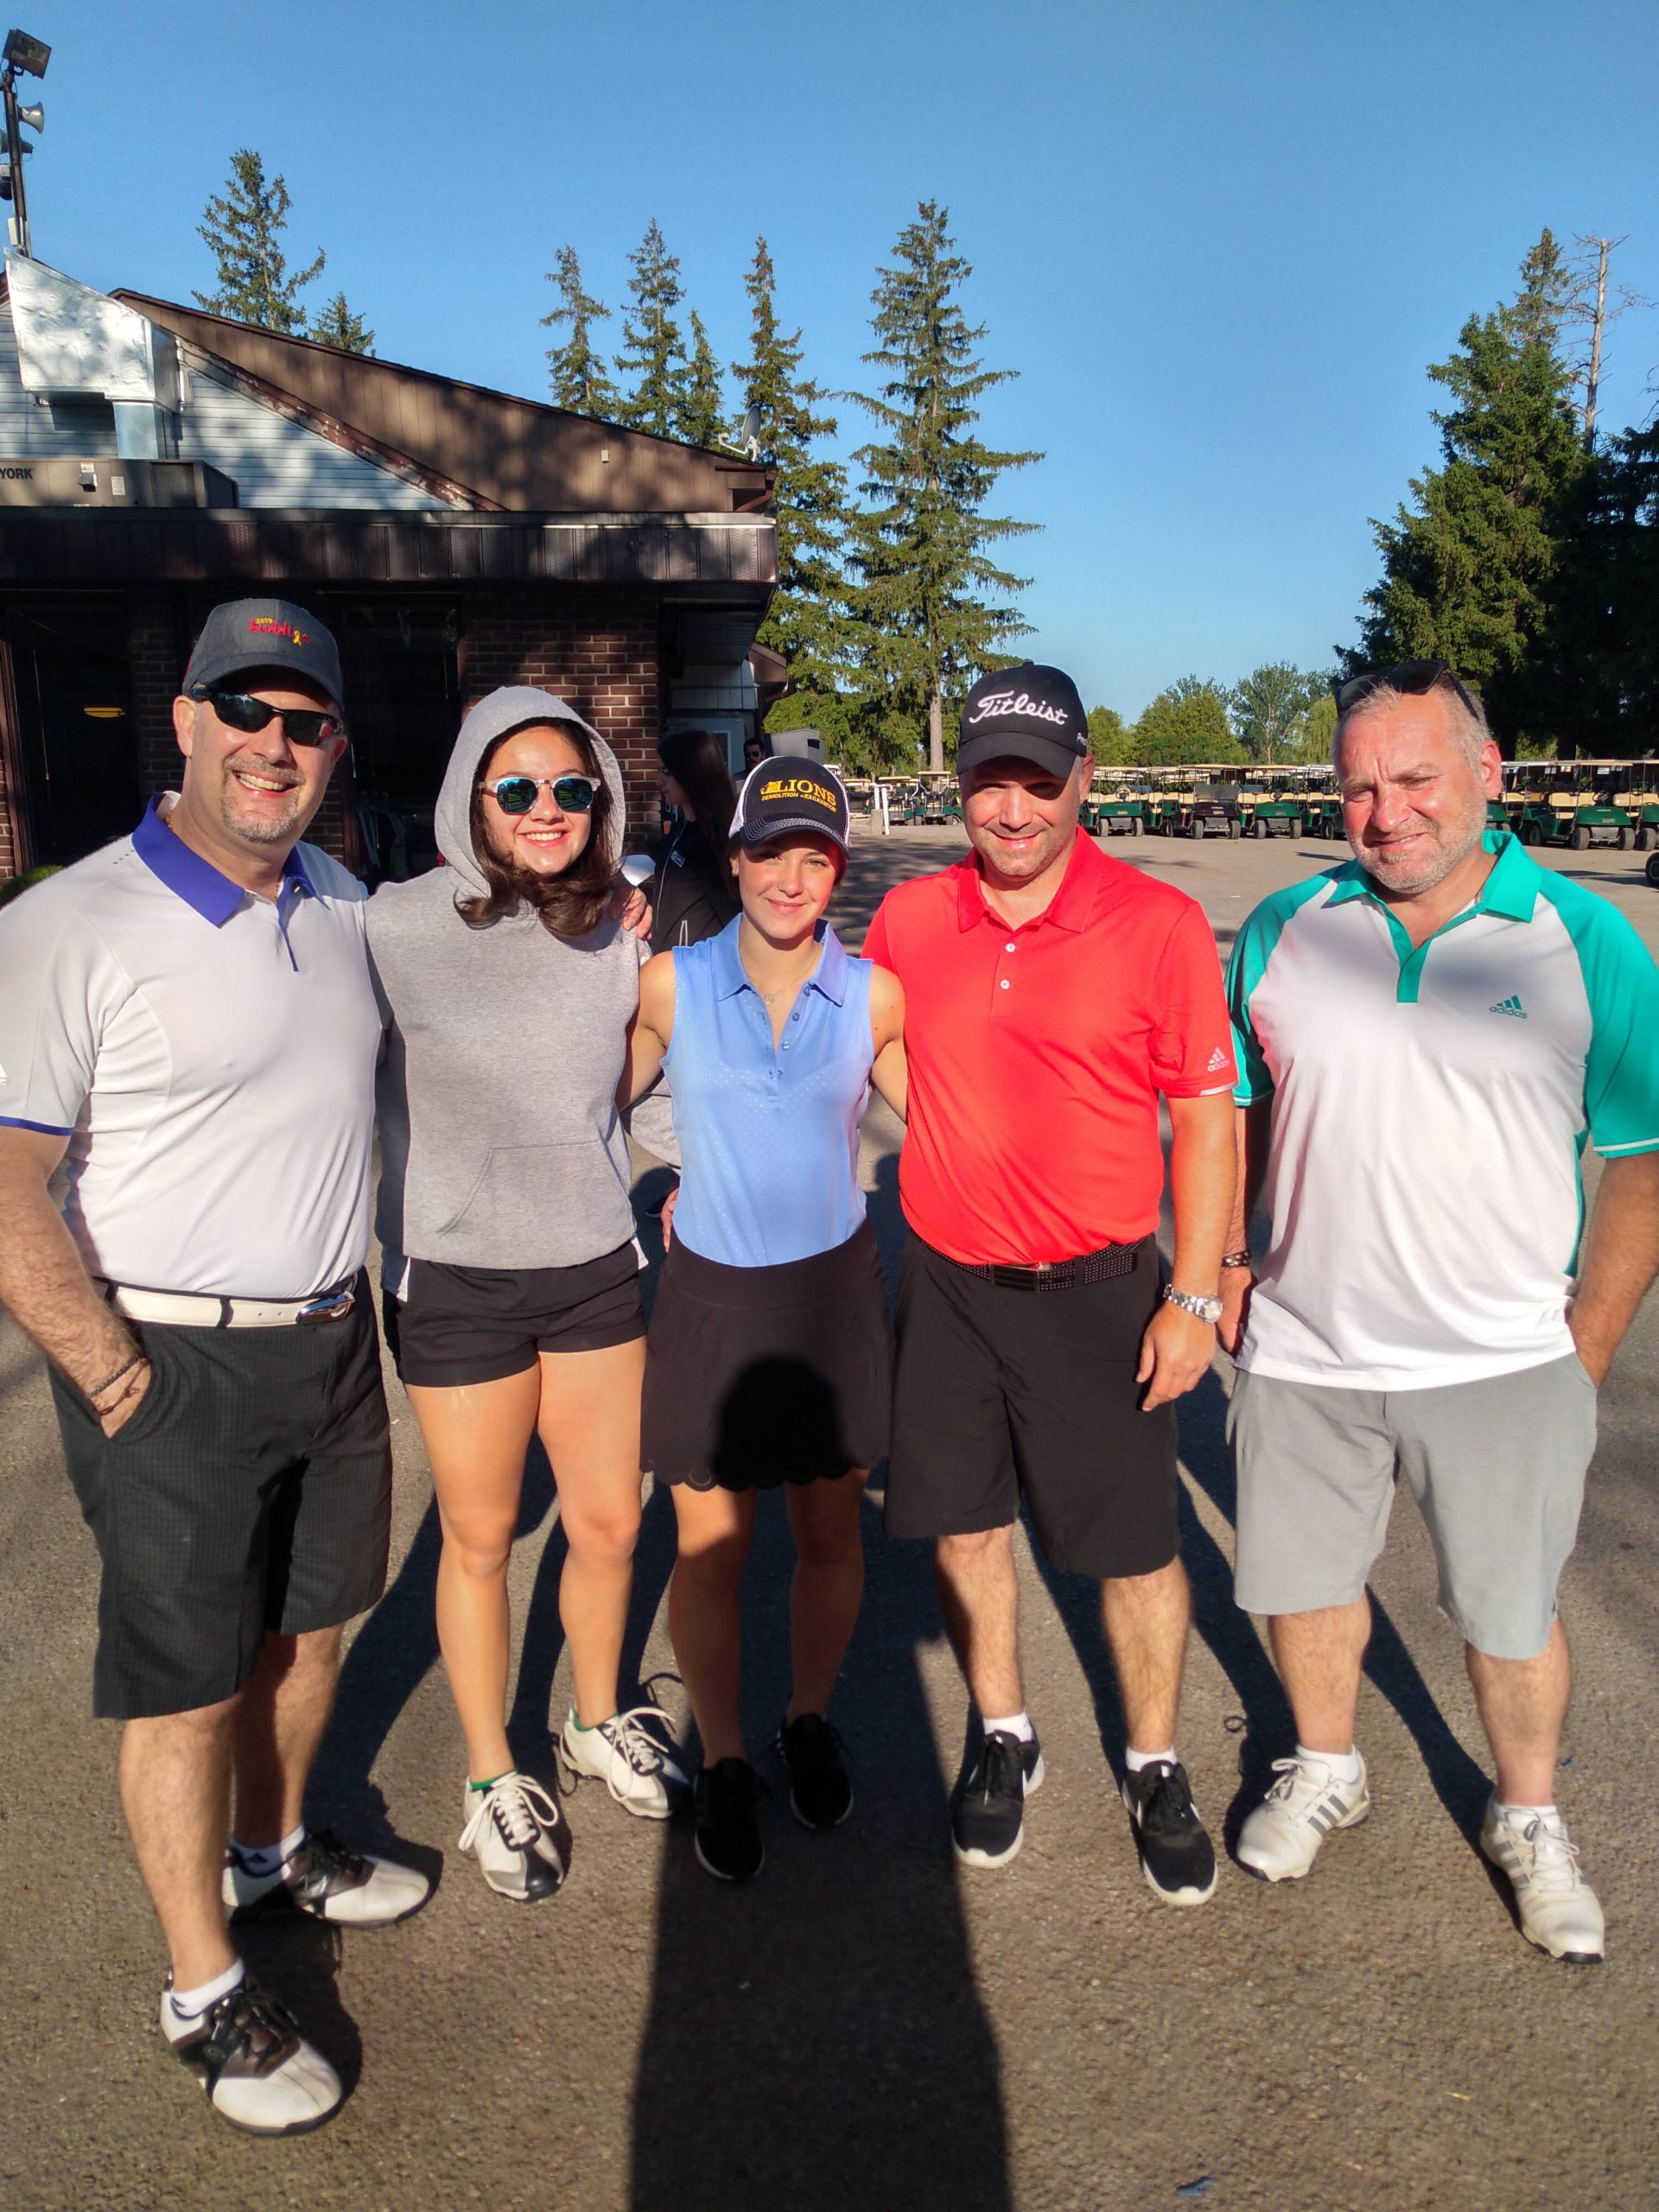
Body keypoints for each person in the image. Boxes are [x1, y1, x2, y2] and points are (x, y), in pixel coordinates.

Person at [0, 599, 429, 2138]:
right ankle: (202, 1986)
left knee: (311, 1635)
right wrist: (115, 1380)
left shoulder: (339, 899)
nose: (273, 744)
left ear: (336, 748)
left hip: (330, 1339)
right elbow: (5, 1178)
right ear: (183, 722)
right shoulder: (72, 922)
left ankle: (276, 1848)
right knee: (184, 1689)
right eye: (243, 710)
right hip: (167, 1357)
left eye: (305, 721)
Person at [1221, 658, 1659, 1962]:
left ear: (1488, 771)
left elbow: (1642, 1156)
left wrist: (1588, 1343)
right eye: (1358, 787)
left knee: (1509, 1616)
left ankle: (1529, 1814)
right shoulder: (1286, 926)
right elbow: (1243, 1106)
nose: (1386, 812)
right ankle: (1326, 1764)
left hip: (1503, 1361)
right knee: (1304, 1589)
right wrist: (1235, 1261)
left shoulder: (1584, 938)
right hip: (1307, 1353)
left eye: (1415, 778)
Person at [865, 665, 1238, 1897]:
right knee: (966, 1528)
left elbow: (1206, 1118)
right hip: (950, 1287)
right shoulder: (911, 917)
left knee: (1136, 1548)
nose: (1012, 809)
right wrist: (943, 1132)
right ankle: (1003, 1728)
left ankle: (1154, 1757)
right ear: (959, 785)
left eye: (1037, 781)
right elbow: (868, 1039)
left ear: (1084, 780)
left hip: (1102, 1290)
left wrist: (1194, 1294)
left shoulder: (1159, 923)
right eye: (989, 781)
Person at [367, 686, 686, 1905]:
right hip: (458, 1279)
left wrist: (711, 1177)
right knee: (482, 1539)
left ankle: (596, 1719)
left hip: (596, 1264)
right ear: (471, 798)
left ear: (600, 802)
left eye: (571, 789)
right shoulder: (390, 926)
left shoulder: (616, 926)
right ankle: (493, 1773)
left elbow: (644, 1081)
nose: (545, 809)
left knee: (609, 1526)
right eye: (516, 789)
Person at [627, 763, 906, 1881]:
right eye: (770, 852)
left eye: (815, 856)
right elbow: (579, 1103)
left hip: (833, 1295)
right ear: (733, 857)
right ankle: (726, 1755)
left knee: (832, 1537)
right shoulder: (669, 983)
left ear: (837, 868)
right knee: (713, 1552)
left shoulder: (875, 995)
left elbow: (960, 1126)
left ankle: (805, 1718)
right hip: (712, 1298)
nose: (791, 878)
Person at [651, 728, 740, 954]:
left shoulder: (711, 840)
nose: (659, 781)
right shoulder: (679, 830)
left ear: (691, 772)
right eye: (659, 770)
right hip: (667, 964)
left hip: (695, 968)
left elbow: (733, 919)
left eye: (666, 771)